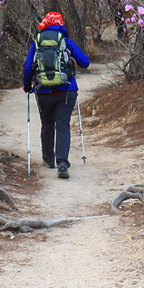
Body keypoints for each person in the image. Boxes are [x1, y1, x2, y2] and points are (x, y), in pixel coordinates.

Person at [22, 11, 90, 179]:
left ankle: (48, 159)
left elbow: (28, 68)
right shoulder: (65, 41)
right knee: (62, 125)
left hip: (43, 91)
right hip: (66, 90)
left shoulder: (37, 43)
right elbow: (85, 62)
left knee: (47, 124)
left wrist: (27, 85)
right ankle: (62, 163)